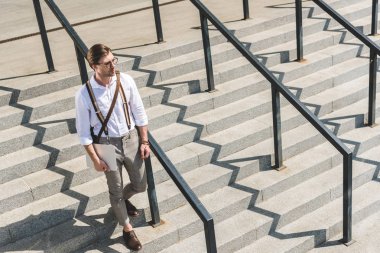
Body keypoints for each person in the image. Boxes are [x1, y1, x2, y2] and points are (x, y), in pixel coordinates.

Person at [75, 43, 150, 251]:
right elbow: (83, 134)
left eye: (113, 60)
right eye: (107, 63)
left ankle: (123, 202)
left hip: (131, 138)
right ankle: (127, 230)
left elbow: (140, 112)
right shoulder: (84, 94)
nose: (113, 66)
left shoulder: (126, 81)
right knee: (115, 190)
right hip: (105, 145)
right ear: (94, 66)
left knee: (140, 185)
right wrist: (95, 159)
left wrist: (144, 141)